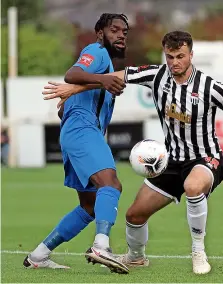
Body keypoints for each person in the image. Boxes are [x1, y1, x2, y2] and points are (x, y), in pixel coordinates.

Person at [43, 31, 223, 275]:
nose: (175, 62)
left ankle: (198, 251)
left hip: (206, 158)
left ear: (191, 55)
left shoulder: (210, 86)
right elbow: (111, 78)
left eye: (180, 56)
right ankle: (136, 257)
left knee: (194, 187)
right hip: (171, 162)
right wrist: (74, 88)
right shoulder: (155, 75)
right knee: (134, 215)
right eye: (170, 57)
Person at [23, 13, 129, 274]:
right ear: (100, 33)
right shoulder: (97, 51)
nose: (121, 35)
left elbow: (69, 100)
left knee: (90, 206)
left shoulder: (104, 67)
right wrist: (103, 80)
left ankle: (39, 254)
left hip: (74, 132)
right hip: (82, 131)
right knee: (111, 184)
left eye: (124, 32)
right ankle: (101, 246)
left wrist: (74, 102)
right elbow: (73, 74)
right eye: (114, 30)